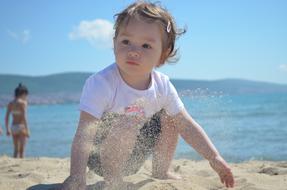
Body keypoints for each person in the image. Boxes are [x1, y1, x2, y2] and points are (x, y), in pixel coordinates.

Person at [62, 1, 234, 190]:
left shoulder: (162, 86)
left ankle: (161, 170)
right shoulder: (101, 83)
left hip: (135, 154)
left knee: (173, 118)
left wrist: (214, 157)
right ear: (114, 43)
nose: (134, 51)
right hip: (99, 156)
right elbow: (85, 133)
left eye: (146, 45)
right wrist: (77, 176)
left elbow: (187, 126)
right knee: (128, 121)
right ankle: (114, 180)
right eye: (126, 42)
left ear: (163, 55)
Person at [5, 83, 30, 158]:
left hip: (13, 127)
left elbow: (7, 117)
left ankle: (14, 165)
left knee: (16, 149)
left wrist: (7, 129)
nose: (26, 97)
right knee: (22, 151)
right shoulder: (23, 103)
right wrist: (27, 130)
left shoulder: (10, 104)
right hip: (21, 127)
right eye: (26, 95)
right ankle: (21, 166)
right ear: (23, 94)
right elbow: (24, 117)